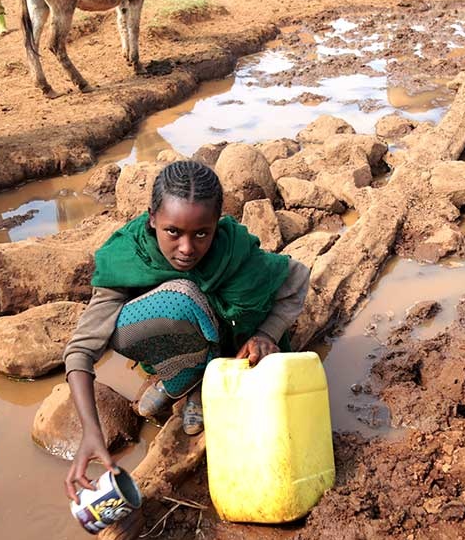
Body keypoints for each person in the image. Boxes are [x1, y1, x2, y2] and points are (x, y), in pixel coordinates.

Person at [62, 160, 310, 500]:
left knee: (189, 301)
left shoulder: (234, 253)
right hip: (185, 329)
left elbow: (297, 279)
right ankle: (188, 374)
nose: (187, 248)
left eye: (201, 234)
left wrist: (267, 333)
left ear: (217, 224)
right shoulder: (130, 255)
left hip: (231, 344)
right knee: (123, 325)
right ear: (152, 218)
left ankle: (203, 381)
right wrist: (91, 432)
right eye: (173, 232)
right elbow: (81, 350)